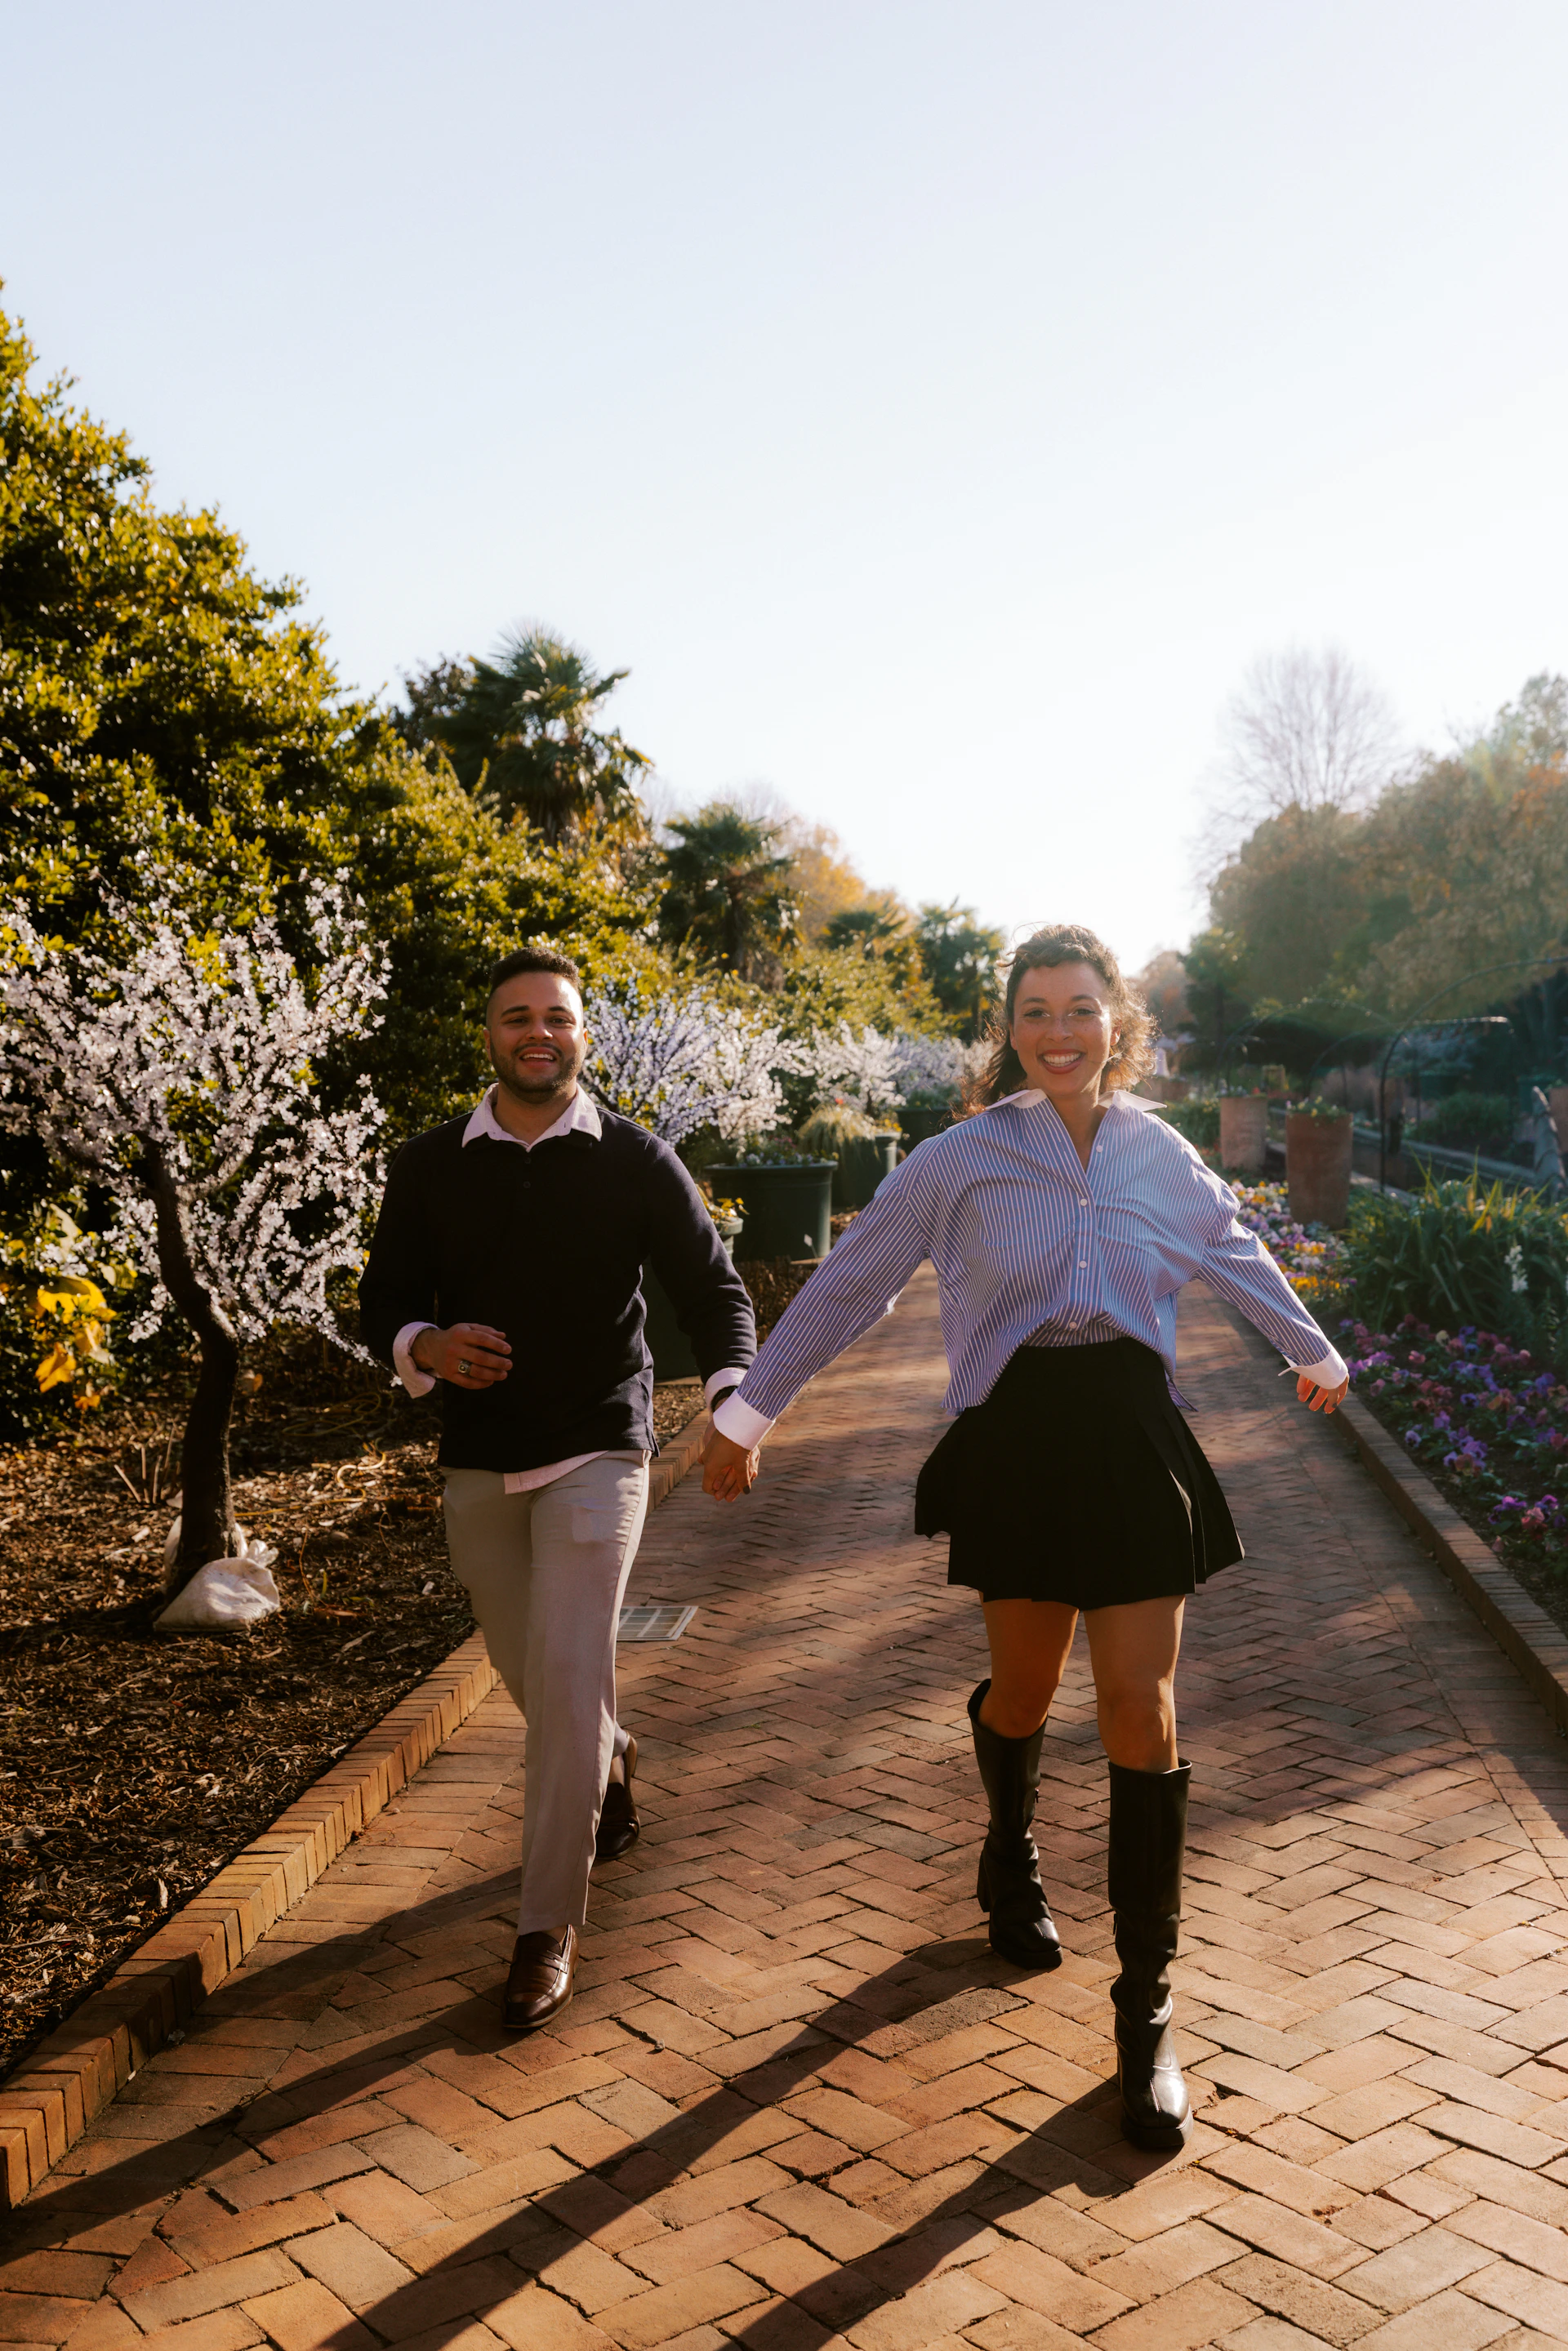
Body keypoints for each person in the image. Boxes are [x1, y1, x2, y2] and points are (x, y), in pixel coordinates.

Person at [704, 923, 1348, 2150]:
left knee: (1137, 1710)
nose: (1061, 1031)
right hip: (1018, 1434)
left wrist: (1309, 1347)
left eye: (1084, 1008)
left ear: (1120, 1025)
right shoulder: (959, 1160)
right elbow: (854, 1280)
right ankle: (1010, 1844)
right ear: (1009, 1027)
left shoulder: (1159, 1151)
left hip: (1132, 1433)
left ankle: (1146, 2013)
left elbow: (1231, 1246)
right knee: (1023, 1690)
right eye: (1038, 1010)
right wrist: (750, 1406)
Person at [360, 946, 755, 2032]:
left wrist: (732, 1400)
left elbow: (715, 1290)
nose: (540, 1032)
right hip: (481, 1453)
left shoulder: (634, 1158)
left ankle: (546, 1926)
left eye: (559, 1017)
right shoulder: (429, 1164)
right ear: (488, 1032)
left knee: (573, 1673)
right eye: (517, 1016)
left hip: (600, 1444)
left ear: (586, 1034)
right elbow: (382, 1300)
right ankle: (611, 1758)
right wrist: (428, 1344)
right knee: (528, 1664)